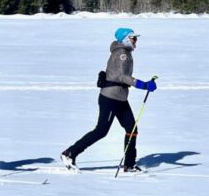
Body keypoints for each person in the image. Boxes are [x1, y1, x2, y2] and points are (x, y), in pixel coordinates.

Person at [61, 27, 157, 173]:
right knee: (101, 131)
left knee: (131, 128)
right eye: (133, 38)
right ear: (126, 39)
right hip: (110, 98)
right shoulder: (122, 54)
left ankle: (129, 164)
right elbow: (122, 77)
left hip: (120, 98)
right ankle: (70, 153)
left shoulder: (125, 52)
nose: (136, 41)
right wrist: (143, 85)